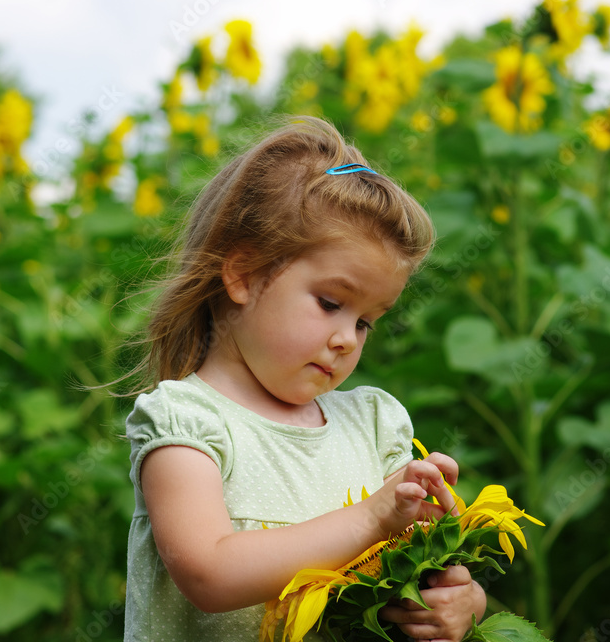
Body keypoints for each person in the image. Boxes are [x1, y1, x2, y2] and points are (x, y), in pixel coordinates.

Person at [123, 116, 487, 641]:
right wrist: (371, 518)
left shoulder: (372, 424)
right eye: (330, 304)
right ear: (244, 274)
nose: (347, 339)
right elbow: (210, 573)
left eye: (365, 322)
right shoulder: (188, 421)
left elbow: (413, 573)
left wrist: (459, 602)